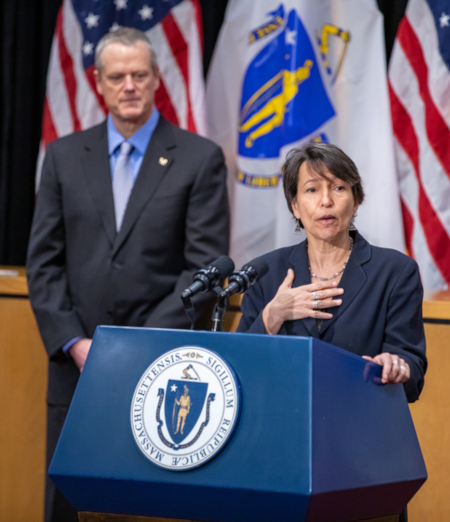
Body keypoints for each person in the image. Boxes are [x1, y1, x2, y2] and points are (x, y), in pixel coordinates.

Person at [26, 28, 229, 522]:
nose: (129, 86)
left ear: (157, 77)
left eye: (139, 74)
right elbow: (44, 263)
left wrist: (134, 348)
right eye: (117, 77)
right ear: (98, 82)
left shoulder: (199, 158)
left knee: (151, 505)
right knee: (69, 503)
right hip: (77, 367)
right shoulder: (63, 157)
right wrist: (76, 343)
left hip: (164, 366)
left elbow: (203, 268)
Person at [237, 142, 426, 405]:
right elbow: (239, 366)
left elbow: (412, 368)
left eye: (338, 188)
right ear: (295, 205)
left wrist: (395, 366)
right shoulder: (266, 272)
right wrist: (272, 316)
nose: (326, 201)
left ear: (356, 201)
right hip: (283, 418)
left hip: (360, 419)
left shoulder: (395, 272)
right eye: (312, 190)